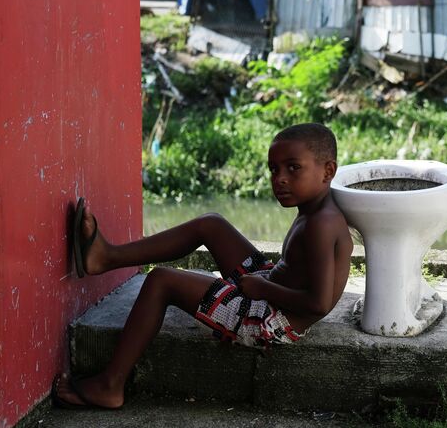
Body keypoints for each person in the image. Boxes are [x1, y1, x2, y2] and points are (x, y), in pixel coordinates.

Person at [52, 123, 353, 409]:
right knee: (210, 224)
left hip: (271, 320)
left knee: (162, 281)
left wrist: (262, 288)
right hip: (270, 287)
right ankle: (107, 257)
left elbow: (318, 303)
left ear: (328, 171)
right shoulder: (317, 210)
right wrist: (264, 283)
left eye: (293, 168)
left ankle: (110, 385)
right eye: (274, 169)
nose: (280, 179)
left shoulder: (321, 226)